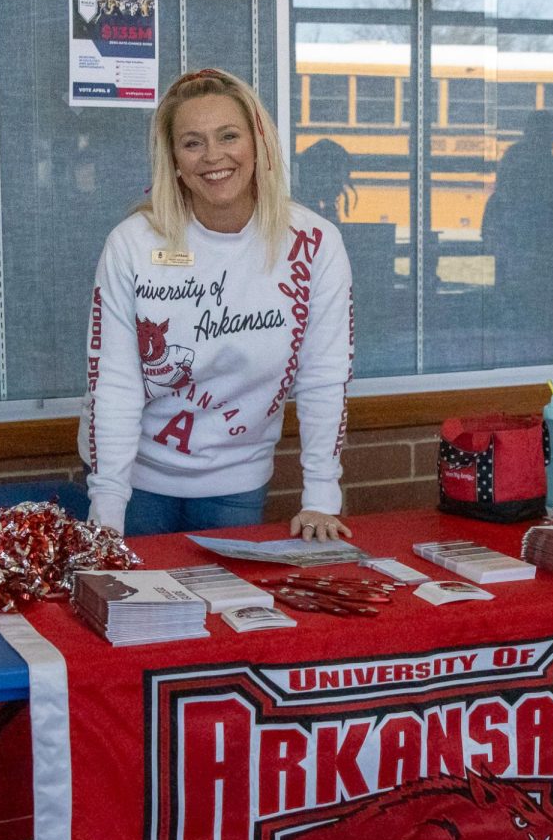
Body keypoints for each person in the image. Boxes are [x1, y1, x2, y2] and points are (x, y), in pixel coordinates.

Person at [79, 68, 354, 542]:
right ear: (174, 161)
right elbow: (115, 384)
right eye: (192, 143)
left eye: (229, 136)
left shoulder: (314, 244)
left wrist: (321, 498)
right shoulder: (132, 243)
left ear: (258, 143)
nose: (213, 156)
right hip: (133, 482)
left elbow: (323, 377)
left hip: (237, 481)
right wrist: (106, 513)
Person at [480, 109, 553, 365]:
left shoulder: (521, 166)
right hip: (536, 257)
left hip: (533, 257)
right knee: (538, 317)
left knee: (529, 316)